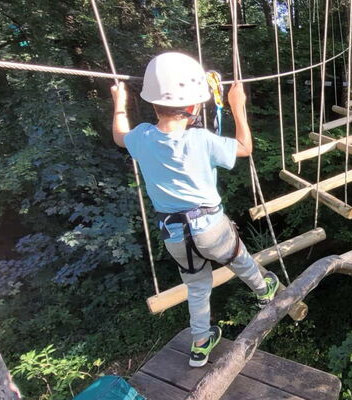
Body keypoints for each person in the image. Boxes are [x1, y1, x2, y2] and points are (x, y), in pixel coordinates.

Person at [109, 52, 279, 368]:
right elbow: (245, 148)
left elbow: (120, 136)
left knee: (197, 286)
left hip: (174, 235)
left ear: (154, 103)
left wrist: (119, 102)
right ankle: (263, 290)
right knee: (238, 258)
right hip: (210, 227)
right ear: (192, 107)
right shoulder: (200, 139)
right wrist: (237, 107)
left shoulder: (144, 136)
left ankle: (200, 344)